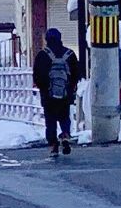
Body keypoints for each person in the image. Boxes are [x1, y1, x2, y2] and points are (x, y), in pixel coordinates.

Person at [33, 26, 85, 155]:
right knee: (64, 117)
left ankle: (53, 145)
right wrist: (71, 87)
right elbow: (77, 73)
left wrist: (44, 88)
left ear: (47, 39)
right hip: (65, 94)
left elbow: (37, 76)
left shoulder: (42, 55)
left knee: (50, 120)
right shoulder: (70, 54)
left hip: (48, 94)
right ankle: (65, 135)